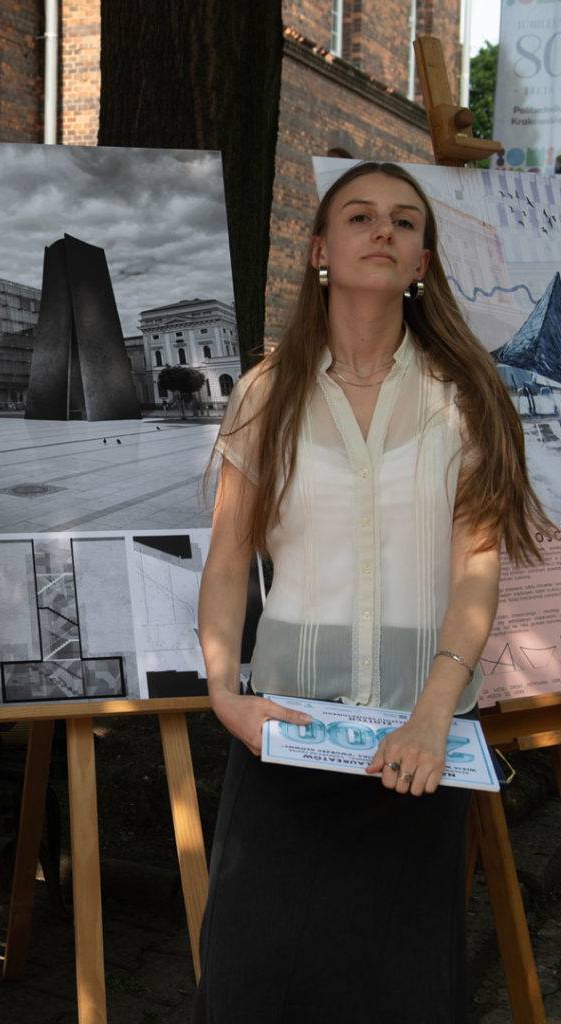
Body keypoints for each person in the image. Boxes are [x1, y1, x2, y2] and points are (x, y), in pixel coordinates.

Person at [193, 161, 552, 1024]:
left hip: (416, 746)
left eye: (403, 220)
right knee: (252, 983)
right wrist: (225, 693)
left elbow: (477, 567)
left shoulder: (466, 395)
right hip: (285, 734)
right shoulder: (266, 392)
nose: (383, 230)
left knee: (395, 989)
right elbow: (229, 561)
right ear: (321, 250)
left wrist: (432, 715)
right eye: (359, 216)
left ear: (422, 262)